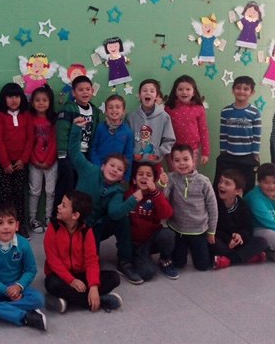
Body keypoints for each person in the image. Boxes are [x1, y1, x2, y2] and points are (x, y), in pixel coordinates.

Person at [70, 117, 144, 284]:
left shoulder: (117, 191)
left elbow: (115, 213)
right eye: (112, 165)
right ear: (103, 166)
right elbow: (74, 153)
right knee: (83, 264)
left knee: (122, 219)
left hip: (95, 227)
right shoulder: (89, 170)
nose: (115, 170)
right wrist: (76, 129)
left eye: (119, 169)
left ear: (121, 176)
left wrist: (132, 200)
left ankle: (125, 261)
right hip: (75, 225)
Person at [43, 190, 122, 313]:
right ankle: (100, 301)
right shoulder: (53, 227)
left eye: (63, 205)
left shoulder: (86, 231)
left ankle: (69, 300)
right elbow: (52, 260)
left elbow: (92, 260)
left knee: (114, 278)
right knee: (51, 283)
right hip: (60, 276)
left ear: (75, 215)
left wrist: (93, 286)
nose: (58, 206)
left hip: (81, 274)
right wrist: (71, 280)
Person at [0, 203, 47, 331]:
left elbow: (30, 270)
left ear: (16, 226)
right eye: (0, 223)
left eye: (10, 222)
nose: (6, 227)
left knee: (38, 299)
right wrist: (5, 290)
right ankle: (24, 317)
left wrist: (18, 286)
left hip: (17, 287)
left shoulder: (23, 244)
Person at [160, 145, 217, 271]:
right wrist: (162, 184)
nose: (182, 163)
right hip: (178, 230)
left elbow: (213, 208)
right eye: (177, 160)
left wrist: (211, 231)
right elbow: (163, 198)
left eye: (186, 159)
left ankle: (201, 250)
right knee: (179, 264)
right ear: (172, 162)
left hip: (199, 231)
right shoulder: (171, 178)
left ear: (193, 160)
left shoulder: (204, 181)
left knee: (202, 266)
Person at [54, 75, 102, 212]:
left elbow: (94, 134)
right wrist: (62, 156)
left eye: (88, 89)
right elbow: (62, 132)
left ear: (92, 91)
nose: (85, 92)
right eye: (80, 90)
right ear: (73, 93)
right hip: (69, 156)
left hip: (85, 156)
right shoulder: (69, 109)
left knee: (80, 189)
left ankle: (77, 216)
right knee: (66, 188)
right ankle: (58, 216)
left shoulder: (95, 111)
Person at [125, 163, 178, 280]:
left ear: (154, 181)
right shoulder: (128, 194)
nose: (144, 177)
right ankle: (137, 258)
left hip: (152, 240)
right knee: (148, 273)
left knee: (168, 234)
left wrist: (155, 193)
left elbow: (167, 214)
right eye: (140, 174)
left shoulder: (156, 195)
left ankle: (165, 260)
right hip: (135, 244)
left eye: (149, 175)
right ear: (134, 180)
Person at [0, 83, 34, 238]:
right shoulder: (0, 115)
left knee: (19, 195)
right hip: (4, 164)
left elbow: (30, 138)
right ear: (4, 99)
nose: (13, 100)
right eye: (10, 97)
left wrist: (23, 160)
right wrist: (5, 163)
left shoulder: (26, 115)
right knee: (6, 196)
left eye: (16, 96)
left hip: (21, 164)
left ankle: (20, 225)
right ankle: (5, 225)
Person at [210, 169, 269, 270]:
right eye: (220, 181)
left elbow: (248, 228)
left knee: (262, 242)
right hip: (223, 240)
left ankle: (228, 260)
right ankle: (246, 257)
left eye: (227, 183)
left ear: (237, 191)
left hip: (238, 242)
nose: (221, 185)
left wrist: (240, 236)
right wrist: (228, 240)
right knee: (211, 241)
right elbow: (213, 229)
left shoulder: (243, 206)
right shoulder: (213, 203)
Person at [213, 76, 261, 193]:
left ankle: (246, 204)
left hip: (247, 156)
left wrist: (255, 153)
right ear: (233, 90)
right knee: (222, 184)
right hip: (229, 155)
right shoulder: (226, 111)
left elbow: (257, 135)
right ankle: (221, 203)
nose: (241, 91)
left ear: (252, 92)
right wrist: (223, 151)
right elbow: (223, 133)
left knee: (248, 186)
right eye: (238, 88)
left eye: (246, 89)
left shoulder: (255, 112)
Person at [127, 78, 175, 178]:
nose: (148, 93)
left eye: (152, 91)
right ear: (139, 95)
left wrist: (158, 153)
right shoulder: (131, 117)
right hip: (136, 164)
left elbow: (169, 140)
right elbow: (126, 140)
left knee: (155, 187)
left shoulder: (164, 117)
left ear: (157, 96)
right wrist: (132, 152)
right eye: (144, 90)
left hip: (155, 164)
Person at [28, 85, 57, 234]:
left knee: (50, 191)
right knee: (35, 191)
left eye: (44, 100)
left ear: (50, 102)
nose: (41, 103)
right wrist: (34, 160)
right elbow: (28, 142)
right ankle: (32, 219)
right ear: (32, 102)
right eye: (37, 100)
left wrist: (48, 160)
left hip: (51, 162)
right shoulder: (29, 118)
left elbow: (55, 142)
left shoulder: (54, 119)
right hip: (34, 162)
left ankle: (48, 218)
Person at [164, 75, 210, 169]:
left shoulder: (199, 108)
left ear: (193, 92)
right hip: (173, 149)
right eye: (180, 89)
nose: (184, 92)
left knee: (189, 175)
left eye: (188, 89)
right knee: (174, 175)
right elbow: (163, 130)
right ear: (175, 92)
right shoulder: (169, 109)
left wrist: (205, 152)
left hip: (193, 149)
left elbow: (203, 131)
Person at [90, 94, 134, 181]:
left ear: (123, 111)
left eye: (118, 107)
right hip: (99, 170)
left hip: (116, 174)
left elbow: (128, 156)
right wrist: (97, 167)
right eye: (110, 107)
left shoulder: (128, 132)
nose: (114, 110)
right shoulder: (100, 128)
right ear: (106, 111)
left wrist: (125, 176)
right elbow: (93, 148)